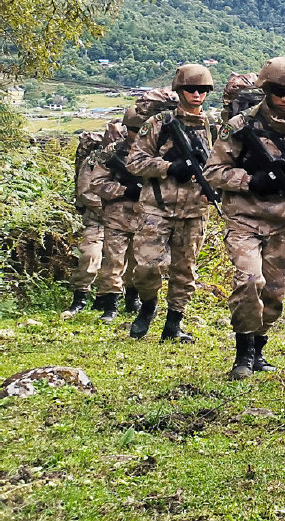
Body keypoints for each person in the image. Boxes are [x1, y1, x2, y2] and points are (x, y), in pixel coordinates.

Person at [204, 57, 285, 381]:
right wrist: (250, 181)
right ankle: (242, 354)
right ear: (266, 89)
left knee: (274, 293)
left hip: (282, 224)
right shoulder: (240, 127)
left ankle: (258, 351)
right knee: (248, 280)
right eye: (278, 91)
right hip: (244, 219)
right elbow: (213, 171)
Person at [125, 66, 217, 342]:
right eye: (191, 89)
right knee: (146, 267)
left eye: (203, 90)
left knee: (185, 271)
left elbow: (220, 165)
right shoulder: (159, 124)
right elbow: (134, 161)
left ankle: (174, 324)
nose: (197, 95)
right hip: (157, 207)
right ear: (179, 91)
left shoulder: (212, 126)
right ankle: (148, 306)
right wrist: (168, 167)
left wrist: (214, 189)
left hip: (193, 210)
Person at [90, 108, 148, 322]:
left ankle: (133, 299)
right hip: (118, 215)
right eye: (134, 130)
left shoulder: (154, 152)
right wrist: (125, 190)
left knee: (140, 263)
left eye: (142, 129)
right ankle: (111, 303)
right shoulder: (113, 152)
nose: (138, 134)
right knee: (113, 262)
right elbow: (96, 183)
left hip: (145, 216)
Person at [60, 124, 119, 317]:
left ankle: (109, 299)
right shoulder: (93, 161)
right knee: (89, 256)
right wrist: (110, 209)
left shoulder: (132, 157)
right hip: (97, 219)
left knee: (118, 261)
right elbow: (86, 193)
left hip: (123, 220)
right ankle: (80, 297)